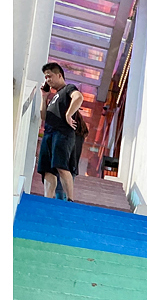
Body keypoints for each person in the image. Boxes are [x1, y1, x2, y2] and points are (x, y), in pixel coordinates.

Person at [37, 62, 84, 201]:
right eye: (46, 77)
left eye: (49, 76)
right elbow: (43, 116)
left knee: (61, 166)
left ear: (59, 75)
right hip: (49, 133)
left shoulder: (68, 88)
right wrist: (44, 97)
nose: (47, 80)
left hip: (62, 133)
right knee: (47, 170)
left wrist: (69, 114)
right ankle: (48, 199)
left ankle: (70, 199)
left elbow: (78, 97)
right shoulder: (53, 97)